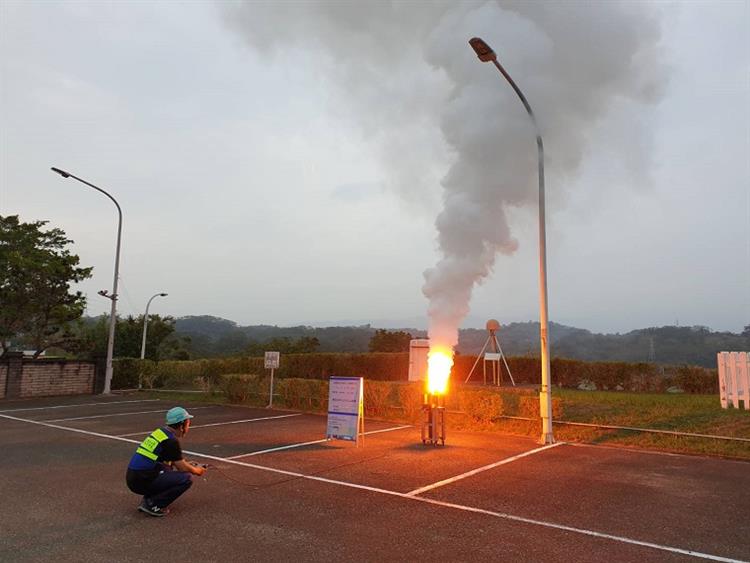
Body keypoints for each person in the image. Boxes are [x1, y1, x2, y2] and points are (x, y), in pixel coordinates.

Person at [126, 406, 206, 517]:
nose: (188, 427)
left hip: (134, 477)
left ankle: (149, 499)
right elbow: (182, 468)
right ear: (182, 424)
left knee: (168, 467)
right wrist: (197, 470)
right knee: (187, 478)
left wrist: (187, 464)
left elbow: (170, 460)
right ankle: (154, 504)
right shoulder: (171, 441)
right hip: (142, 480)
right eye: (188, 423)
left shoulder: (161, 433)